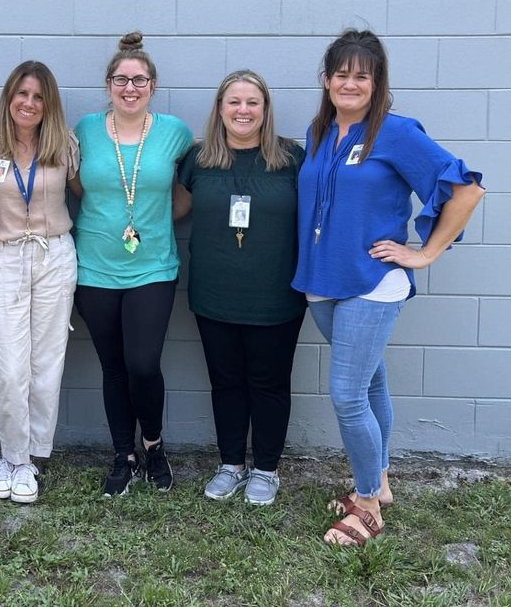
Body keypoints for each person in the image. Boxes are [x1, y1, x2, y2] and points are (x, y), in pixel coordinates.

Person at [293, 29, 484, 546]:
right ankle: (378, 481)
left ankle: (368, 505)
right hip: (322, 282)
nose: (350, 83)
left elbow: (466, 189)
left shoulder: (396, 134)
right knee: (371, 382)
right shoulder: (319, 132)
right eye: (341, 73)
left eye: (362, 75)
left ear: (377, 84)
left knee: (347, 394)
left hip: (371, 284)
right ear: (327, 79)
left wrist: (424, 253)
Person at [176, 70, 306, 506]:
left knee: (270, 383)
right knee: (225, 381)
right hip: (214, 294)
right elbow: (169, 208)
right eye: (234, 102)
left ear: (266, 110)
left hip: (275, 295)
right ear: (219, 109)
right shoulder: (199, 159)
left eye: (253, 102)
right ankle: (231, 463)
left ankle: (266, 469)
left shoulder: (291, 159)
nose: (243, 110)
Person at [72, 31, 193, 497]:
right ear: (108, 85)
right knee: (113, 367)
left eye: (139, 80)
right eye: (121, 79)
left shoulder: (174, 132)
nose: (130, 88)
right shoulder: (85, 129)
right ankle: (123, 453)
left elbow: (186, 191)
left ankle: (154, 445)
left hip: (153, 268)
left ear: (153, 85)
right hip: (95, 268)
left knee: (143, 362)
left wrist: (154, 219)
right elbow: (80, 187)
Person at [0, 61, 80, 504]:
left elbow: (91, 195)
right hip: (3, 257)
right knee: (8, 365)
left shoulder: (64, 145)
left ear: (48, 103)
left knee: (46, 363)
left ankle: (29, 461)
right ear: (9, 97)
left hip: (54, 256)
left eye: (38, 96)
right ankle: (10, 455)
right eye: (22, 94)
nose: (29, 103)